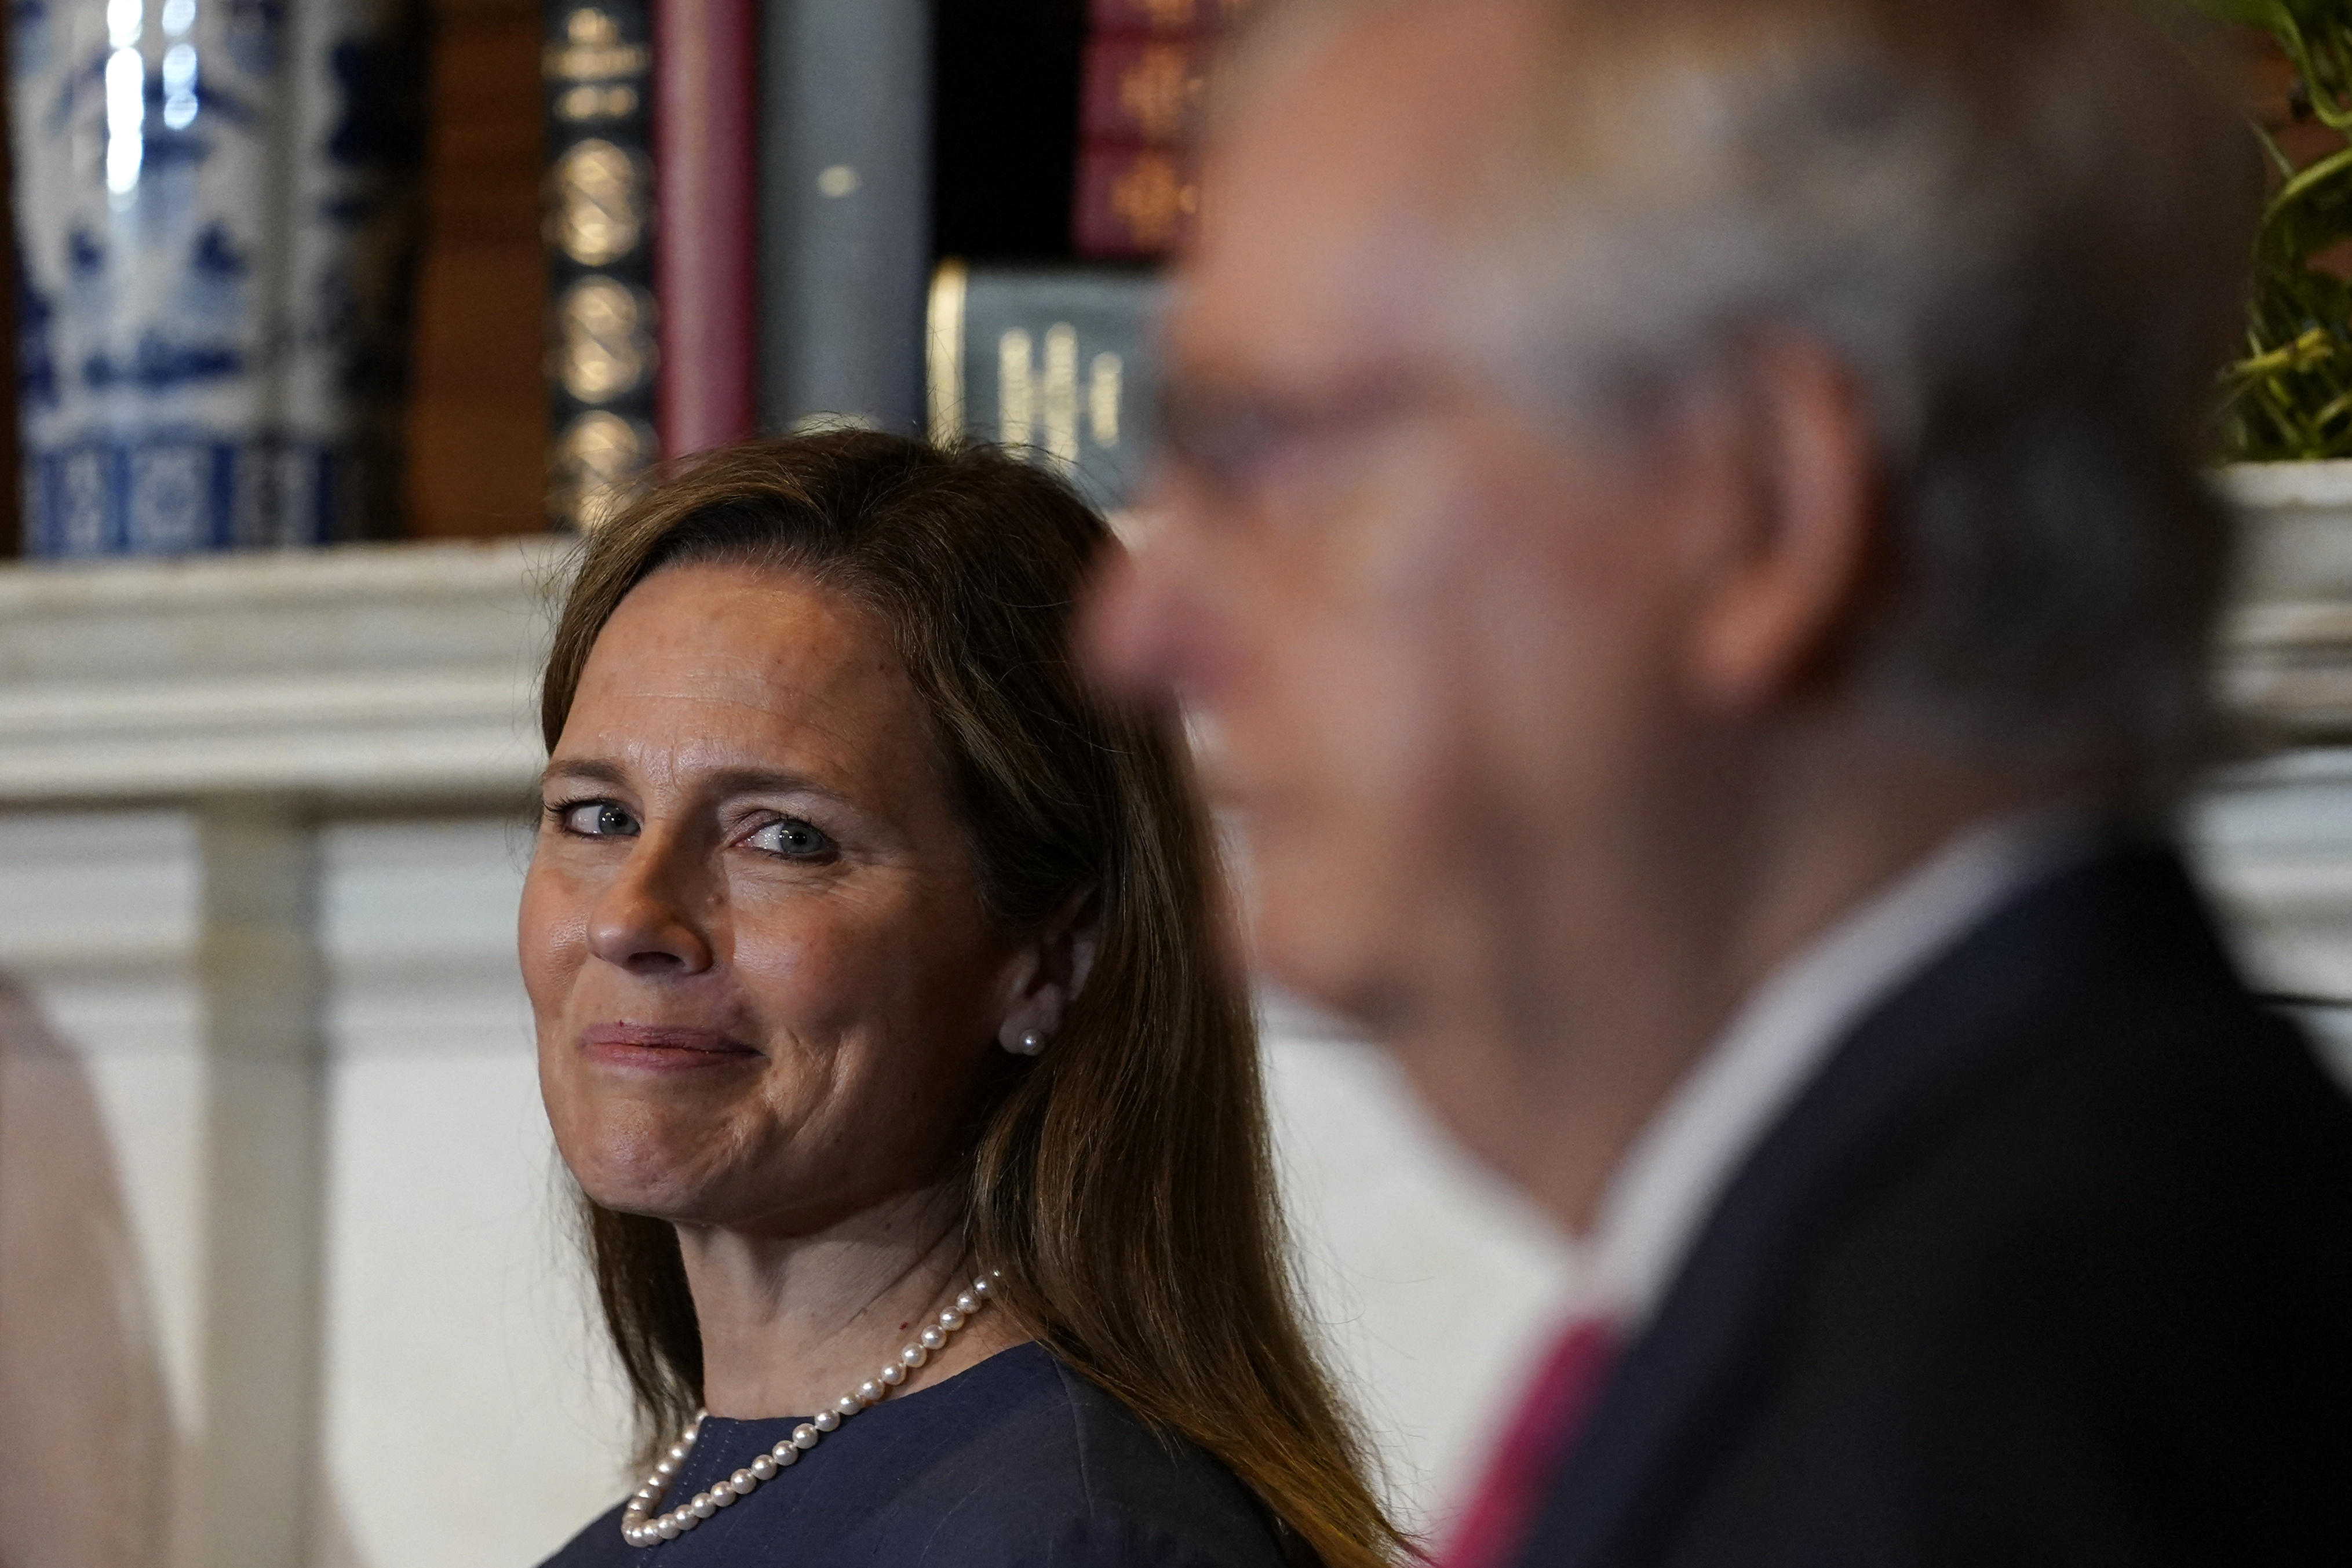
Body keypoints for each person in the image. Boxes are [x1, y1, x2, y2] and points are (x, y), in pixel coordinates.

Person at [1088, 0, 2352, 1563]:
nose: (1136, 624)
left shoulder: (2003, 1418)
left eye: (1262, 448)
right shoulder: (1930, 1261)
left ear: (1759, 506)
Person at [523, 431, 1406, 1567]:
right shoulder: (629, 1540)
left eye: (785, 838)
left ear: (1051, 957)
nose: (630, 919)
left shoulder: (1078, 1539)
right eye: (598, 817)